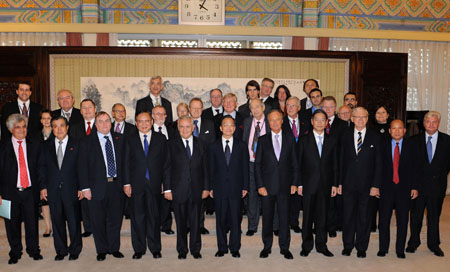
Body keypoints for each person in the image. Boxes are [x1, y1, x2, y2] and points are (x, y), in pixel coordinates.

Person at [78, 111, 125, 261]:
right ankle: (102, 250)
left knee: (115, 219)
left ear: (111, 123)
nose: (104, 124)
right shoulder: (86, 142)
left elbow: (125, 164)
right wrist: (85, 188)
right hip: (96, 187)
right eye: (101, 121)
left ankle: (114, 248)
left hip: (116, 186)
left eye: (107, 121)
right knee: (97, 220)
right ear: (95, 124)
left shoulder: (120, 139)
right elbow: (82, 167)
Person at [124, 112, 170, 260]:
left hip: (155, 184)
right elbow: (125, 163)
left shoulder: (161, 138)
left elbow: (166, 163)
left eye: (146, 121)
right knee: (137, 217)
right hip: (136, 184)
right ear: (136, 123)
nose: (143, 124)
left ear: (152, 122)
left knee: (154, 217)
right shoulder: (129, 139)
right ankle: (139, 249)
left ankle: (155, 248)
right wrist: (126, 183)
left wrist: (165, 183)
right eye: (140, 121)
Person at [0, 113, 43, 264]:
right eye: (18, 127)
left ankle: (33, 250)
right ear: (11, 129)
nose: (21, 130)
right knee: (12, 224)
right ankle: (15, 252)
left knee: (32, 223)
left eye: (24, 127)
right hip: (9, 193)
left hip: (30, 191)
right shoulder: (3, 147)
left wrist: (42, 188)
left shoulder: (35, 144)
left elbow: (40, 169)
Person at [255, 110, 299, 260]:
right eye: (271, 120)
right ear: (268, 122)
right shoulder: (262, 140)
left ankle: (284, 247)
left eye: (277, 120)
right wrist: (260, 186)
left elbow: (295, 163)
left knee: (284, 219)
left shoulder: (289, 139)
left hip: (286, 186)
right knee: (267, 218)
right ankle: (266, 247)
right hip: (267, 188)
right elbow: (258, 165)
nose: (274, 123)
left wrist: (294, 183)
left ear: (282, 121)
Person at [339, 107, 382, 258]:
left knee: (364, 217)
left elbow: (379, 163)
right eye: (357, 117)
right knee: (348, 216)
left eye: (363, 117)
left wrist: (376, 185)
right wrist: (339, 183)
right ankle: (348, 245)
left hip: (367, 185)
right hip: (348, 184)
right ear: (352, 118)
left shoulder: (375, 136)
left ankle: (362, 247)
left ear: (367, 118)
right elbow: (340, 161)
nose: (360, 119)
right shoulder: (344, 136)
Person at [164, 116, 210, 260]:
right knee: (181, 222)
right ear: (178, 128)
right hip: (178, 190)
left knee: (196, 222)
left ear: (193, 127)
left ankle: (195, 249)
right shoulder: (170, 144)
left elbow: (206, 168)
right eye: (182, 127)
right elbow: (167, 168)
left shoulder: (201, 144)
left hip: (197, 189)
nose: (185, 130)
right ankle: (182, 250)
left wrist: (206, 188)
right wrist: (167, 189)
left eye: (187, 127)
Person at [406, 111, 450, 257]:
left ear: (438, 123)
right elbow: (410, 165)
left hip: (437, 186)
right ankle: (413, 242)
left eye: (434, 122)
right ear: (424, 123)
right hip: (418, 187)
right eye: (428, 122)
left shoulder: (447, 140)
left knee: (434, 217)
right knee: (416, 216)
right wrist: (413, 185)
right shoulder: (413, 140)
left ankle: (434, 244)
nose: (431, 125)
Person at [40, 116, 83, 261]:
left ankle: (75, 249)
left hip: (72, 189)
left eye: (62, 125)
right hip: (53, 190)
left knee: (73, 221)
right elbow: (42, 168)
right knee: (57, 221)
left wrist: (81, 187)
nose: (59, 129)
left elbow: (81, 168)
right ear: (52, 129)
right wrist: (43, 187)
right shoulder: (46, 146)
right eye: (55, 126)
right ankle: (61, 250)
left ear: (67, 127)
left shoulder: (77, 144)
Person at [297, 109, 338, 257]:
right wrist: (299, 184)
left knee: (323, 217)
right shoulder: (303, 140)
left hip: (326, 185)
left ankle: (322, 245)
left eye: (323, 120)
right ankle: (306, 245)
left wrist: (334, 184)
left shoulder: (332, 140)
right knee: (307, 217)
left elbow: (335, 165)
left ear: (326, 123)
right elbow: (298, 165)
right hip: (308, 185)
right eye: (317, 120)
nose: (320, 123)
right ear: (312, 122)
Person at [208, 116, 249, 258]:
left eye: (231, 125)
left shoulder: (241, 145)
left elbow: (245, 167)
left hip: (236, 188)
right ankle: (222, 248)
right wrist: (210, 187)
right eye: (225, 125)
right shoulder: (213, 146)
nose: (228, 128)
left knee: (235, 219)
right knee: (220, 220)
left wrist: (245, 186)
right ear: (220, 128)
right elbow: (211, 168)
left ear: (235, 128)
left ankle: (235, 247)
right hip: (219, 189)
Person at [378, 119, 418, 259]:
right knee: (383, 220)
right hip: (385, 188)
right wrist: (376, 186)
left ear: (404, 130)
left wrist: (414, 187)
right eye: (393, 128)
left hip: (404, 189)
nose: (396, 131)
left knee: (402, 221)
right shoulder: (382, 145)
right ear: (389, 130)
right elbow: (377, 168)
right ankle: (383, 248)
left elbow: (415, 168)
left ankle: (400, 249)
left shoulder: (411, 146)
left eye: (400, 128)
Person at [69, 98, 97, 238]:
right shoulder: (74, 128)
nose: (87, 110)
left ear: (95, 109)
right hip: (81, 167)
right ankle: (88, 227)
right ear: (80, 111)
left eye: (89, 107)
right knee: (85, 199)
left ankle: (99, 225)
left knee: (98, 199)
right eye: (84, 108)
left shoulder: (102, 125)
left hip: (98, 169)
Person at [242, 99, 269, 236]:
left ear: (263, 107)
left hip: (267, 165)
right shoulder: (247, 122)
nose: (255, 110)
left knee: (269, 195)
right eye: (252, 108)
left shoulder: (270, 121)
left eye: (258, 107)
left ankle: (273, 225)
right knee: (252, 194)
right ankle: (252, 226)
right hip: (250, 163)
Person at [321, 96, 348, 236]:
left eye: (331, 107)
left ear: (335, 108)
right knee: (319, 199)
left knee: (333, 199)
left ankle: (331, 227)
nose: (328, 110)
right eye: (325, 107)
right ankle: (319, 225)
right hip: (320, 167)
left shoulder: (343, 125)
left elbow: (344, 149)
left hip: (336, 166)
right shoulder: (316, 121)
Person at [282, 96, 308, 233]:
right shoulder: (280, 122)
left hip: (303, 164)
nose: (291, 108)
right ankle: (284, 222)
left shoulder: (306, 122)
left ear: (299, 107)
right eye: (288, 105)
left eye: (293, 105)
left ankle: (294, 222)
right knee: (285, 195)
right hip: (286, 164)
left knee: (298, 194)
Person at [190, 98, 216, 234]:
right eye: (193, 108)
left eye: (198, 108)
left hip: (203, 167)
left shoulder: (209, 124)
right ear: (189, 109)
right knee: (188, 198)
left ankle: (200, 225)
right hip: (187, 168)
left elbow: (212, 146)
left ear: (202, 109)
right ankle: (188, 225)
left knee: (200, 199)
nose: (196, 110)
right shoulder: (183, 123)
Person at [151, 105, 176, 235]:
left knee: (167, 199)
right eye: (157, 114)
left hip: (170, 169)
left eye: (163, 114)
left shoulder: (172, 130)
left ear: (166, 116)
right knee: (154, 201)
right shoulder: (148, 131)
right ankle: (154, 225)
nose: (160, 116)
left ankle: (166, 226)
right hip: (153, 171)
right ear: (153, 116)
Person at [369, 105, 391, 233]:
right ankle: (371, 224)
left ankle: (383, 224)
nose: (380, 115)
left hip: (388, 167)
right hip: (373, 167)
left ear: (388, 115)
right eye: (378, 112)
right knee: (372, 198)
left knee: (384, 197)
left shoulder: (393, 128)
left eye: (383, 112)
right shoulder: (370, 129)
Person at [35, 109, 53, 238]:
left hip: (55, 171)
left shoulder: (58, 132)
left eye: (49, 118)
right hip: (41, 171)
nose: (46, 121)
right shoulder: (35, 136)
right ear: (41, 120)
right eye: (44, 118)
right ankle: (48, 227)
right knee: (44, 200)